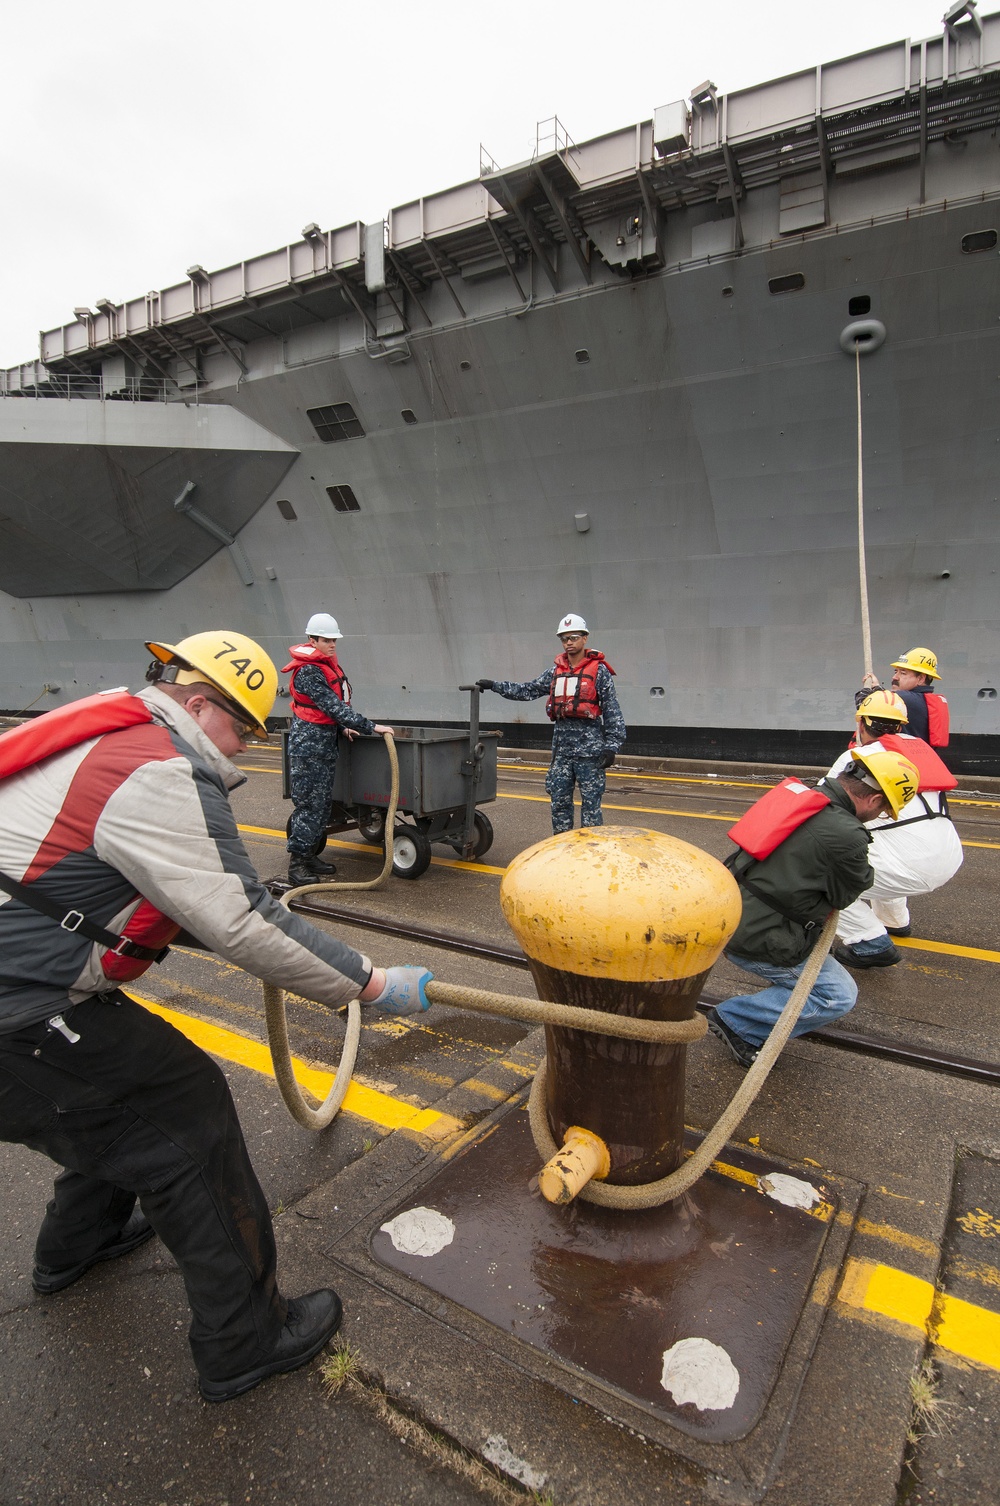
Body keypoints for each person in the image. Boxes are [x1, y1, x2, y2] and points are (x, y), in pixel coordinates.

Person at [0, 629, 432, 1403]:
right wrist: (372, 987)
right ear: (199, 703)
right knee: (186, 1113)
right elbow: (244, 920)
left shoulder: (114, 726)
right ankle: (245, 1340)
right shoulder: (158, 770)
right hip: (18, 1009)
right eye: (246, 726)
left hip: (28, 989)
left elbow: (150, 891)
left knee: (120, 1101)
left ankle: (80, 1242)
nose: (252, 746)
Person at [706, 748, 919, 1069]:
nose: (882, 816)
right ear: (875, 801)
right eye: (886, 811)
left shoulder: (807, 797)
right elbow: (847, 894)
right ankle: (738, 1021)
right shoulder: (847, 834)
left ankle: (763, 1010)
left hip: (732, 912)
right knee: (837, 994)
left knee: (817, 978)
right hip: (759, 935)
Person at [827, 689, 963, 969]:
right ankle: (895, 921)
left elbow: (825, 802)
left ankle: (868, 941)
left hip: (909, 867)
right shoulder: (920, 749)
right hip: (948, 858)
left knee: (820, 871)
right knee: (882, 843)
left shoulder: (856, 758)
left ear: (861, 723)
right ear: (901, 725)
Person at [477, 614, 626, 834]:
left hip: (590, 753)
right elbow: (527, 690)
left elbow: (612, 710)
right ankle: (562, 849)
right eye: (564, 638)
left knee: (591, 808)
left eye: (573, 637)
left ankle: (590, 852)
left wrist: (612, 746)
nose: (568, 642)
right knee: (559, 804)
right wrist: (495, 686)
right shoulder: (556, 672)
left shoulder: (600, 672)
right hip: (562, 753)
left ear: (585, 638)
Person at [284, 613, 393, 888]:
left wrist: (342, 729)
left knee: (321, 806)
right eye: (326, 640)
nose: (332, 645)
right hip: (308, 749)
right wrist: (372, 726)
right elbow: (332, 707)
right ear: (312, 640)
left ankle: (309, 856)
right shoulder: (309, 671)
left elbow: (328, 712)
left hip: (322, 744)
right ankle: (297, 864)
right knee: (309, 806)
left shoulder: (322, 665)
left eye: (334, 640)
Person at [860, 646, 949, 747]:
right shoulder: (922, 700)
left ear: (921, 678)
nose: (895, 677)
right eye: (895, 671)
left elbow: (864, 703)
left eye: (902, 673)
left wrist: (867, 691)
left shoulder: (906, 699)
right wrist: (877, 688)